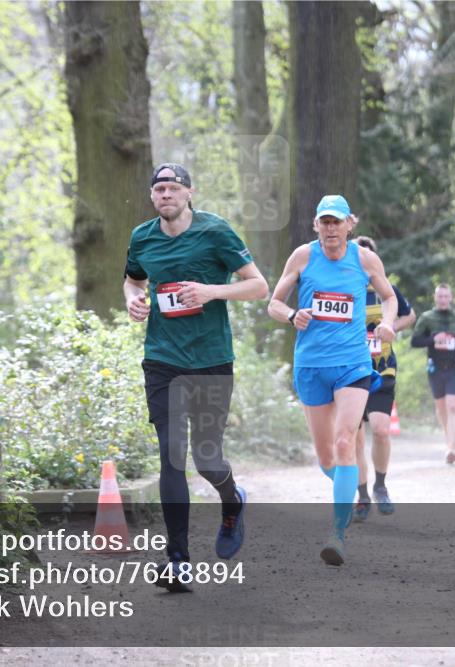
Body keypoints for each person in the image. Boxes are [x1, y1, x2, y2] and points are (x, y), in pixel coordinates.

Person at [124, 163, 268, 593]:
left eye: (173, 188)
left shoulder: (215, 232)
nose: (166, 194)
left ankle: (232, 500)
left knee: (207, 459)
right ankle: (178, 559)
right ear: (153, 197)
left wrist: (211, 292)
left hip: (210, 359)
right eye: (159, 189)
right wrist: (134, 301)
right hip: (163, 360)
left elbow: (258, 285)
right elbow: (133, 281)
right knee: (171, 453)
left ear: (190, 193)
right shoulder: (141, 237)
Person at [268, 195, 396, 566]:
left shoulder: (365, 258)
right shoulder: (303, 256)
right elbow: (274, 303)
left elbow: (388, 297)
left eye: (336, 222)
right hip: (311, 365)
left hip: (353, 364)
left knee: (345, 441)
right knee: (327, 457)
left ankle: (336, 535)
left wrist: (387, 323)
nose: (330, 229)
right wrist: (293, 315)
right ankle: (350, 486)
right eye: (324, 222)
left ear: (349, 225)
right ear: (316, 226)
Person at [351, 236, 416, 519]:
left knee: (379, 429)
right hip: (350, 368)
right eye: (358, 255)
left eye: (368, 255)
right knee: (354, 435)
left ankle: (380, 485)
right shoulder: (344, 286)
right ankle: (362, 495)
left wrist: (389, 327)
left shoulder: (385, 289)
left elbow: (409, 315)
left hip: (382, 365)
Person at [411, 284, 455, 464]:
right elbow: (415, 341)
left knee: (453, 406)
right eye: (440, 296)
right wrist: (432, 340)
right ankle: (449, 438)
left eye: (446, 296)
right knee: (442, 407)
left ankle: (451, 449)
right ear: (435, 298)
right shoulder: (427, 318)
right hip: (435, 368)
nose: (443, 299)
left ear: (451, 298)